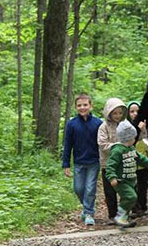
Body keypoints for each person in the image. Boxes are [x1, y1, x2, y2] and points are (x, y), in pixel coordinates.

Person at [106, 121, 148, 227]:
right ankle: (119, 216)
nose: (134, 139)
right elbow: (110, 165)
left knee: (129, 200)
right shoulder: (117, 150)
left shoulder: (131, 149)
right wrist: (112, 177)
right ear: (128, 138)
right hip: (121, 181)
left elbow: (141, 159)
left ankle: (124, 219)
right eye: (133, 138)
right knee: (131, 197)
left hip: (131, 180)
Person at [62, 93, 103, 226]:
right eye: (79, 105)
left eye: (85, 105)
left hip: (94, 162)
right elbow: (68, 144)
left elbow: (102, 143)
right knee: (79, 188)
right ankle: (86, 207)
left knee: (90, 188)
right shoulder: (72, 124)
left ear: (91, 106)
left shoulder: (98, 123)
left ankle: (89, 212)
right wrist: (66, 164)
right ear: (75, 107)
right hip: (79, 162)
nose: (82, 107)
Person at [97, 97, 127, 224]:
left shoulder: (125, 125)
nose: (117, 116)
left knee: (125, 189)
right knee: (110, 191)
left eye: (120, 113)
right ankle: (112, 215)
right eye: (115, 113)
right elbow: (102, 144)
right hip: (108, 164)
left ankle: (124, 214)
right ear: (109, 113)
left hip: (123, 163)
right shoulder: (103, 127)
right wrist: (118, 147)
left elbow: (131, 139)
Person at [127, 101, 148, 218]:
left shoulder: (145, 124)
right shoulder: (126, 126)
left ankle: (143, 205)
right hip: (131, 159)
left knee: (143, 184)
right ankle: (135, 208)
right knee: (132, 184)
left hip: (143, 159)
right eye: (132, 111)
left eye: (137, 111)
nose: (135, 114)